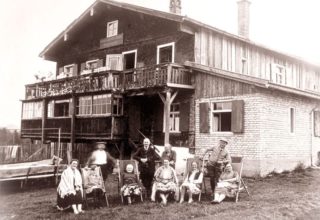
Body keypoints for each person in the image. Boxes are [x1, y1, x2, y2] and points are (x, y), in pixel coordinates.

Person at [202, 138, 231, 203]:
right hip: (210, 165)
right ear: (219, 142)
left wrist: (223, 161)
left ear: (226, 144)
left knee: (218, 179)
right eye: (221, 142)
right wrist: (202, 155)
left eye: (224, 143)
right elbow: (206, 149)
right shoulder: (215, 147)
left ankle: (217, 192)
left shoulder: (226, 152)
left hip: (218, 166)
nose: (222, 144)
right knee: (212, 178)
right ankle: (213, 191)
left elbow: (229, 160)